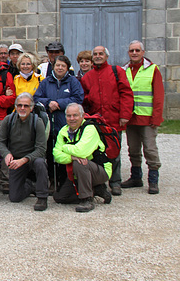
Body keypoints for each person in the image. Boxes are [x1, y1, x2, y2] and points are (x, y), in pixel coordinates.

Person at [81, 45, 134, 195]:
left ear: (106, 56)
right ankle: (100, 182)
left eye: (101, 54)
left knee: (114, 151)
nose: (98, 56)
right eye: (95, 54)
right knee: (97, 152)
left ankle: (115, 182)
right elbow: (83, 97)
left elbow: (126, 94)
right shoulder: (87, 77)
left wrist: (125, 115)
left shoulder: (117, 72)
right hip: (96, 121)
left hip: (113, 119)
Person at [34, 55, 84, 189]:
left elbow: (78, 98)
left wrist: (59, 104)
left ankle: (65, 181)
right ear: (53, 67)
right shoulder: (45, 82)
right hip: (50, 123)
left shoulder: (73, 81)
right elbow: (37, 98)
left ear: (67, 67)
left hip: (67, 124)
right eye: (57, 65)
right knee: (50, 153)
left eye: (63, 65)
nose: (60, 68)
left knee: (65, 153)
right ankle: (51, 179)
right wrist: (49, 102)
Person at [121, 40, 164, 194]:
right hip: (131, 118)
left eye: (137, 50)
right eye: (132, 50)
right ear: (128, 53)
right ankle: (136, 177)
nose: (134, 53)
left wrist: (156, 117)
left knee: (150, 149)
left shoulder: (152, 69)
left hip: (147, 118)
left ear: (143, 52)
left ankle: (153, 180)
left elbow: (159, 95)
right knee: (132, 149)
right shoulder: (124, 70)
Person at [53, 103, 112, 212]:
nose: (72, 119)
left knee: (79, 162)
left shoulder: (90, 129)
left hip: (100, 170)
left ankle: (87, 199)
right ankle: (97, 189)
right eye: (69, 116)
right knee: (59, 197)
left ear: (82, 116)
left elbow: (81, 152)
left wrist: (65, 148)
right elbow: (56, 155)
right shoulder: (63, 131)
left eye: (75, 115)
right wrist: (71, 157)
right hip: (77, 174)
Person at [0, 93, 49, 211]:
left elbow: (41, 149)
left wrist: (24, 160)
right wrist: (7, 154)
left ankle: (42, 197)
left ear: (31, 108)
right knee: (14, 197)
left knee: (41, 163)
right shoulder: (8, 120)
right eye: (19, 105)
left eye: (26, 106)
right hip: (16, 160)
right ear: (15, 106)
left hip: (33, 158)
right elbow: (0, 142)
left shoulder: (37, 122)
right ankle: (30, 186)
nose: (22, 108)